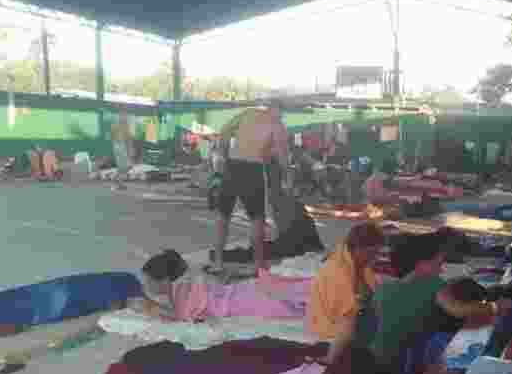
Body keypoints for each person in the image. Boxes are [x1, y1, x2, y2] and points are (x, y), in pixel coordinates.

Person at [327, 231, 511, 374]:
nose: (441, 269)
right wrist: (496, 307)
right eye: (438, 263)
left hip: (370, 361)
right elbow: (459, 310)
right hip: (396, 369)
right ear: (422, 264)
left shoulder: (384, 288)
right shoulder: (433, 285)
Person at [210, 106, 290, 275]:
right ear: (279, 110)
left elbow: (223, 132)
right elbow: (282, 155)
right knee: (257, 219)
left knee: (223, 216)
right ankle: (258, 265)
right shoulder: (276, 123)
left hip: (232, 166)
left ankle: (217, 263)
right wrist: (287, 177)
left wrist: (223, 155)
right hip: (252, 169)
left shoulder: (248, 113)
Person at [136, 249, 309, 323]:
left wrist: (149, 307)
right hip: (246, 290)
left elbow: (179, 317)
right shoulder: (186, 283)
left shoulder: (182, 289)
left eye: (149, 281)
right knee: (291, 292)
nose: (146, 285)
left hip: (244, 300)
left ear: (165, 280)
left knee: (288, 302)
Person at [308, 223, 386, 342]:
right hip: (334, 335)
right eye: (372, 253)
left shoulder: (361, 266)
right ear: (357, 248)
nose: (374, 259)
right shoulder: (338, 272)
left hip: (353, 327)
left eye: (377, 254)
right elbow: (346, 318)